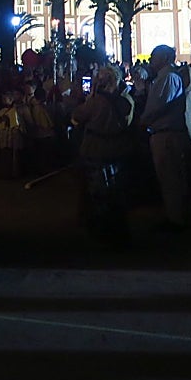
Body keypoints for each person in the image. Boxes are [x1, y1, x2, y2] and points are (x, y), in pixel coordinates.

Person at [70, 65, 134, 246]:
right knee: (116, 191)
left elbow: (77, 116)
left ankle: (100, 230)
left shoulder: (96, 101)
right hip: (119, 150)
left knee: (96, 191)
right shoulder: (125, 101)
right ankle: (118, 229)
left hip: (96, 150)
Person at [138, 45, 191, 231]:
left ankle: (176, 219)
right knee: (169, 177)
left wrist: (142, 121)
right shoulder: (164, 77)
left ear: (166, 58)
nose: (151, 60)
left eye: (155, 56)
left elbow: (157, 107)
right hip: (164, 133)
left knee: (170, 177)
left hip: (166, 134)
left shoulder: (168, 78)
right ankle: (174, 215)